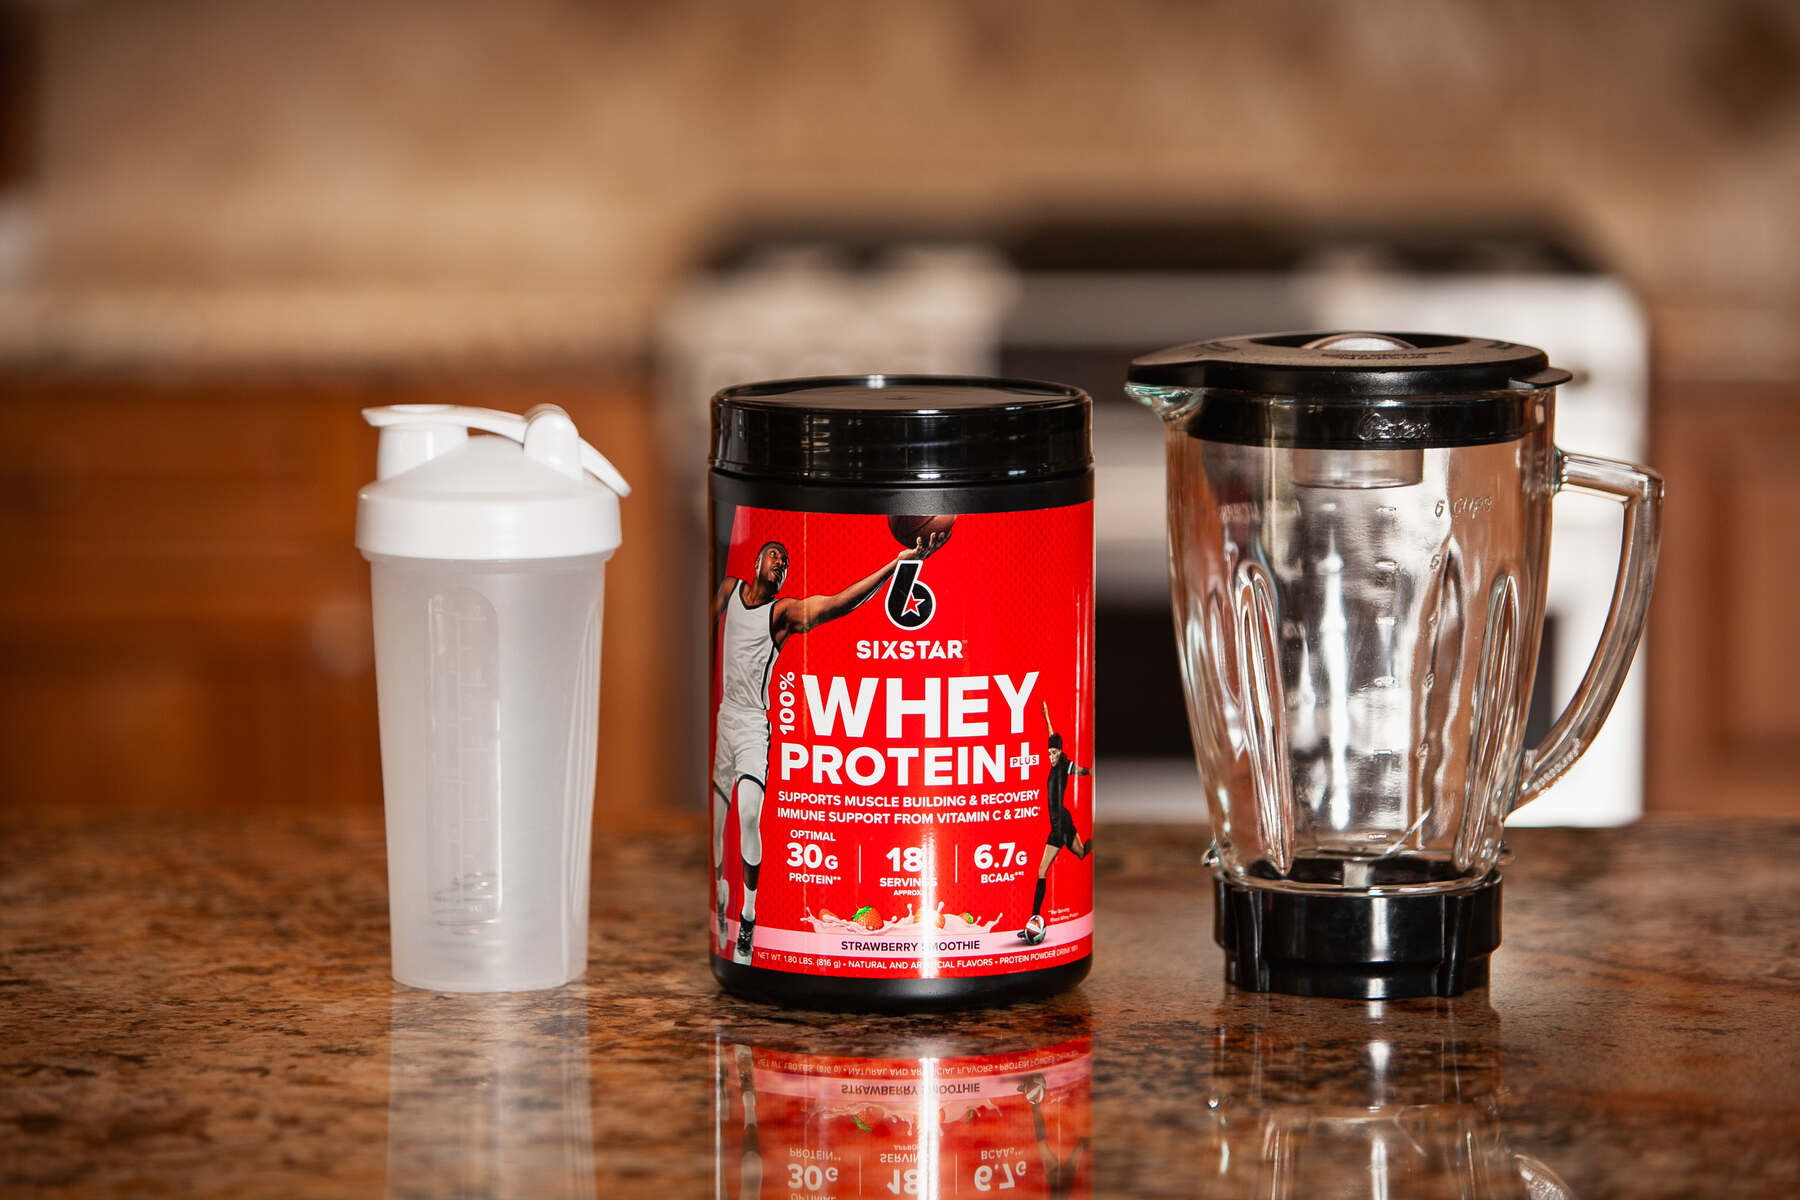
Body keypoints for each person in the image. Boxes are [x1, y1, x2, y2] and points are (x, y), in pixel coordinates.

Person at [712, 532, 948, 965]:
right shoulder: (728, 589)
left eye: (785, 562)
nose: (779, 565)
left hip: (749, 724)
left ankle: (748, 915)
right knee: (714, 835)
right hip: (723, 715)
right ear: (757, 560)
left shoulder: (781, 614)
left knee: (747, 813)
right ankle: (722, 891)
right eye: (774, 557)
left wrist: (897, 564)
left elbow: (838, 602)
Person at [1018, 706, 1092, 945]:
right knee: (1081, 853)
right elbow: (1052, 735)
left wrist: (1087, 771)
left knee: (1041, 870)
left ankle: (1033, 919)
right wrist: (1047, 716)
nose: (1050, 757)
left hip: (1060, 824)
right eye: (1049, 753)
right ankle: (1091, 844)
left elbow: (1079, 769)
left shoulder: (1064, 765)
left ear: (1060, 753)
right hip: (1063, 820)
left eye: (1054, 753)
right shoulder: (1054, 761)